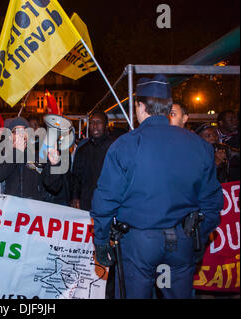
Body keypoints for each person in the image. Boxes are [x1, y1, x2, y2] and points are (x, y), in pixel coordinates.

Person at [90, 74, 223, 299]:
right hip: (182, 240)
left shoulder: (125, 145)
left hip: (139, 244)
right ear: (169, 107)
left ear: (140, 106)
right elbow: (212, 202)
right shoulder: (199, 146)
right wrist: (198, 237)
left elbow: (105, 199)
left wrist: (101, 242)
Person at [71, 111, 115, 211]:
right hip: (86, 202)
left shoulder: (114, 147)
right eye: (91, 122)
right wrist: (75, 197)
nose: (94, 126)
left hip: (108, 202)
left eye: (99, 122)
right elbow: (76, 177)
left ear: (106, 125)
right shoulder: (83, 149)